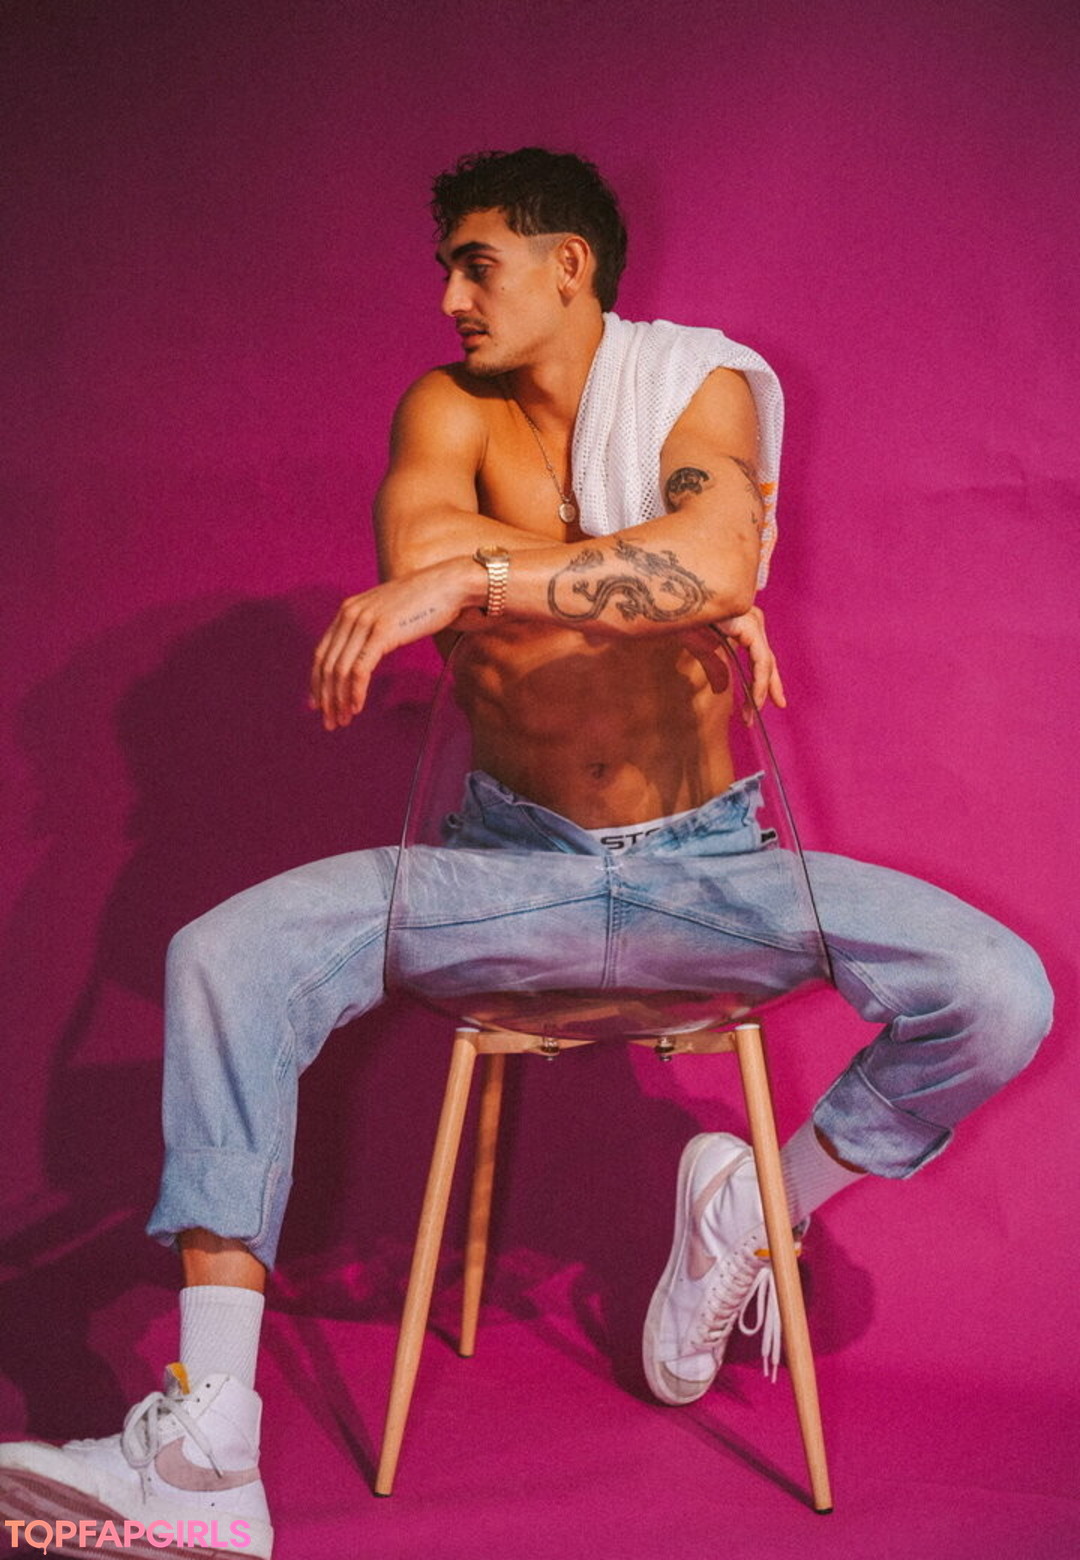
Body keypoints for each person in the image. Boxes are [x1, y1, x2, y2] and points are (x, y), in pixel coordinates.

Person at [0, 149, 1052, 1558]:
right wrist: (652, 572)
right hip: (501, 874)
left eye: (476, 263)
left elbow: (694, 563)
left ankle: (758, 1205)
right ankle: (206, 1455)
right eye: (445, 267)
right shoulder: (445, 410)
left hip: (711, 872)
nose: (449, 297)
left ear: (570, 266)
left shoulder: (701, 385)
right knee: (221, 956)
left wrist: (507, 576)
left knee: (998, 989)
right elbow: (485, 558)